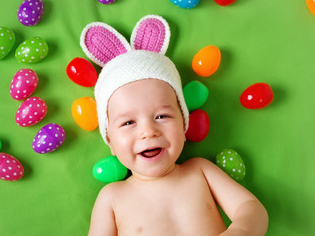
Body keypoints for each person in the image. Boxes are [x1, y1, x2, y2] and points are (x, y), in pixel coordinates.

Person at [80, 15, 268, 236]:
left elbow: (250, 208)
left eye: (161, 116)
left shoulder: (200, 171)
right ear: (110, 141)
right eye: (129, 122)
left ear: (184, 126)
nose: (148, 131)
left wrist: (241, 231)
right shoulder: (112, 197)